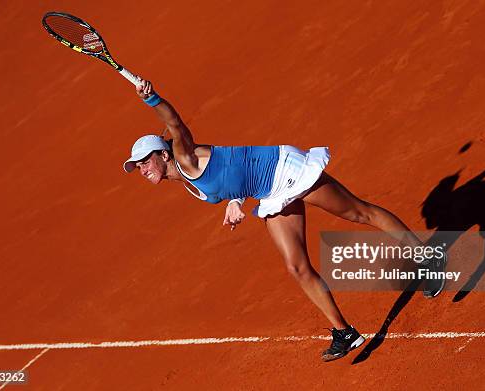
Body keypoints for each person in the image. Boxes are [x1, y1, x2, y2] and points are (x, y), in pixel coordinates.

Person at [123, 77, 441, 362]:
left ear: (163, 154)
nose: (142, 169)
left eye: (144, 162)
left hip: (285, 170)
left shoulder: (184, 156)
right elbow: (236, 170)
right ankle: (344, 333)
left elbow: (175, 124)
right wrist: (235, 200)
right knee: (296, 266)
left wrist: (151, 98)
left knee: (359, 212)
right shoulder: (185, 180)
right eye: (136, 167)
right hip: (269, 192)